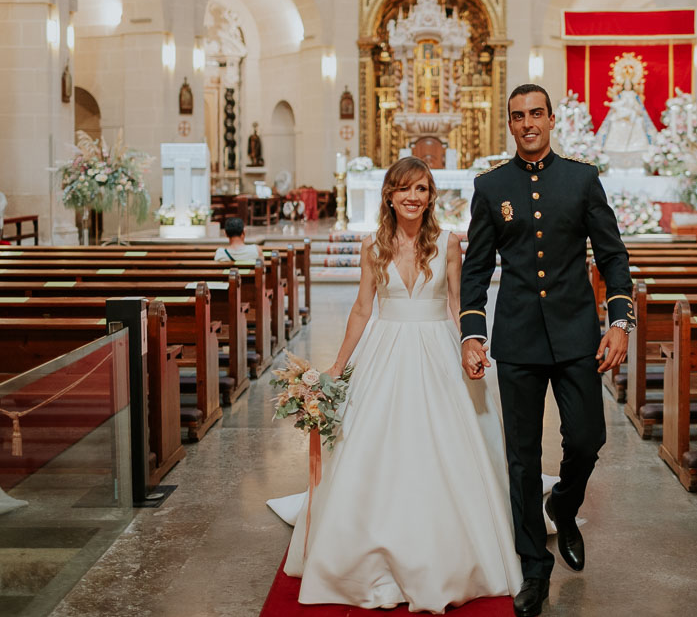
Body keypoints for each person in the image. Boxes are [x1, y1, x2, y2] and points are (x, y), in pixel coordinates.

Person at [272, 157, 522, 612]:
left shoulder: (448, 242)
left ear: (431, 197)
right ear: (389, 194)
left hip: (437, 348)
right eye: (405, 189)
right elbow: (363, 310)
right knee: (373, 447)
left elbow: (456, 302)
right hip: (384, 350)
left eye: (422, 189)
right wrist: (337, 367)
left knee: (447, 446)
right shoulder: (373, 245)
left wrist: (470, 345)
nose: (414, 197)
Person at [460, 83, 635, 617]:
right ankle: (534, 570)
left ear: (552, 119)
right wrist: (472, 331)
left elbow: (612, 254)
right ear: (509, 124)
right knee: (521, 458)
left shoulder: (582, 179)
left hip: (577, 333)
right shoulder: (491, 187)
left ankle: (564, 503)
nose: (528, 123)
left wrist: (620, 321)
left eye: (537, 113)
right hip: (518, 338)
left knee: (587, 438)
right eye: (518, 116)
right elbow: (477, 266)